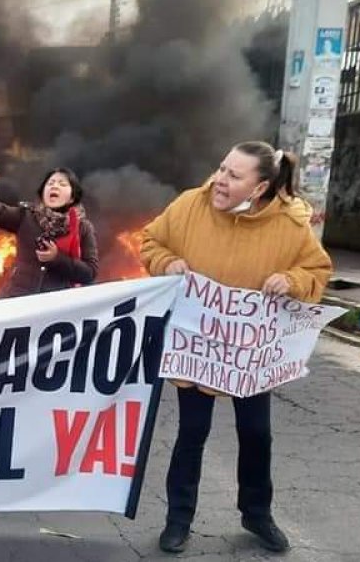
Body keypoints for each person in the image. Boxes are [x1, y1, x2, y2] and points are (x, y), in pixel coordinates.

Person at [139, 141, 332, 555]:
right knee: (191, 432)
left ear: (260, 187)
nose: (220, 181)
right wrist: (166, 262)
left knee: (256, 433)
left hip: (250, 353)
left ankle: (257, 514)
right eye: (221, 168)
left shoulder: (290, 225)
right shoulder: (190, 204)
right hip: (197, 348)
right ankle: (178, 518)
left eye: (233, 175)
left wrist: (292, 280)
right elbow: (151, 242)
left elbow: (316, 269)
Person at [0, 163, 98, 297]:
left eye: (62, 184)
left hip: (56, 306)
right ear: (43, 192)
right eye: (50, 183)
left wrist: (57, 259)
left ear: (72, 197)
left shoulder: (83, 228)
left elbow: (90, 273)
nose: (55, 186)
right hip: (17, 300)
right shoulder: (25, 216)